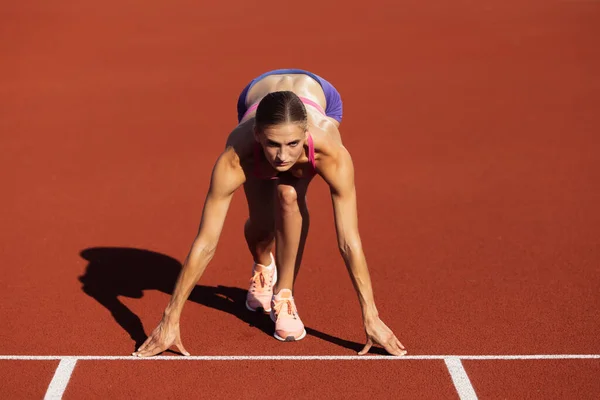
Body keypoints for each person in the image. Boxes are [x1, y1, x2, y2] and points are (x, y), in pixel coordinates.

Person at [132, 69, 407, 357]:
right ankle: (264, 264)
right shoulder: (237, 154)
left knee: (288, 194)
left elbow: (349, 241)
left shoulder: (330, 151)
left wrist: (370, 316)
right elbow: (206, 241)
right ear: (258, 135)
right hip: (253, 95)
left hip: (319, 95)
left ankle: (284, 294)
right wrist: (169, 318)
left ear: (305, 135)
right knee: (262, 223)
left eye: (292, 144)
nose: (282, 156)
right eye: (272, 144)